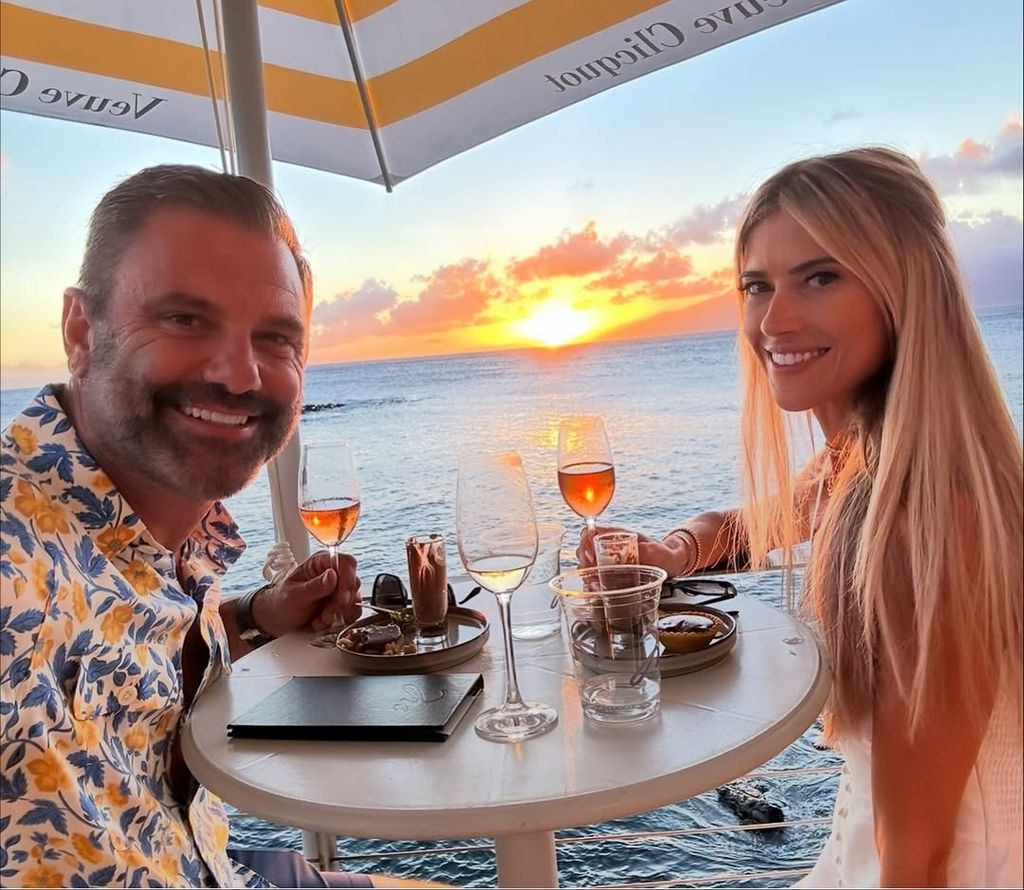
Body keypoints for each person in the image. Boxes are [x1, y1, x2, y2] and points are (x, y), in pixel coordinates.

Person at [578, 147, 1023, 887]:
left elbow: (917, 853)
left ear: (901, 289)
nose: (774, 320)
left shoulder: (922, 520)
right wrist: (672, 552)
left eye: (820, 277)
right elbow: (759, 520)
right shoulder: (869, 457)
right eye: (758, 286)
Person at [0, 165, 438, 888]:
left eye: (276, 338)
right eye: (184, 318)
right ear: (81, 331)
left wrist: (255, 615)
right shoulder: (17, 557)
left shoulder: (144, 532)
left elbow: (125, 651)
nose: (240, 375)